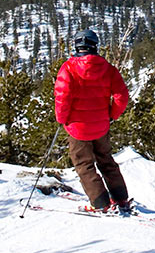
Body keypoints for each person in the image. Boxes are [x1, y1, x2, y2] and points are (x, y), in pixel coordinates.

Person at [53, 28, 132, 213]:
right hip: (101, 125)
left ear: (77, 47)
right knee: (106, 160)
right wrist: (112, 115)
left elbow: (62, 97)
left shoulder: (69, 68)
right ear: (95, 46)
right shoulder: (108, 69)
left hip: (77, 128)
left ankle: (100, 203)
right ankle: (120, 198)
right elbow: (122, 95)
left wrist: (62, 119)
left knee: (84, 164)